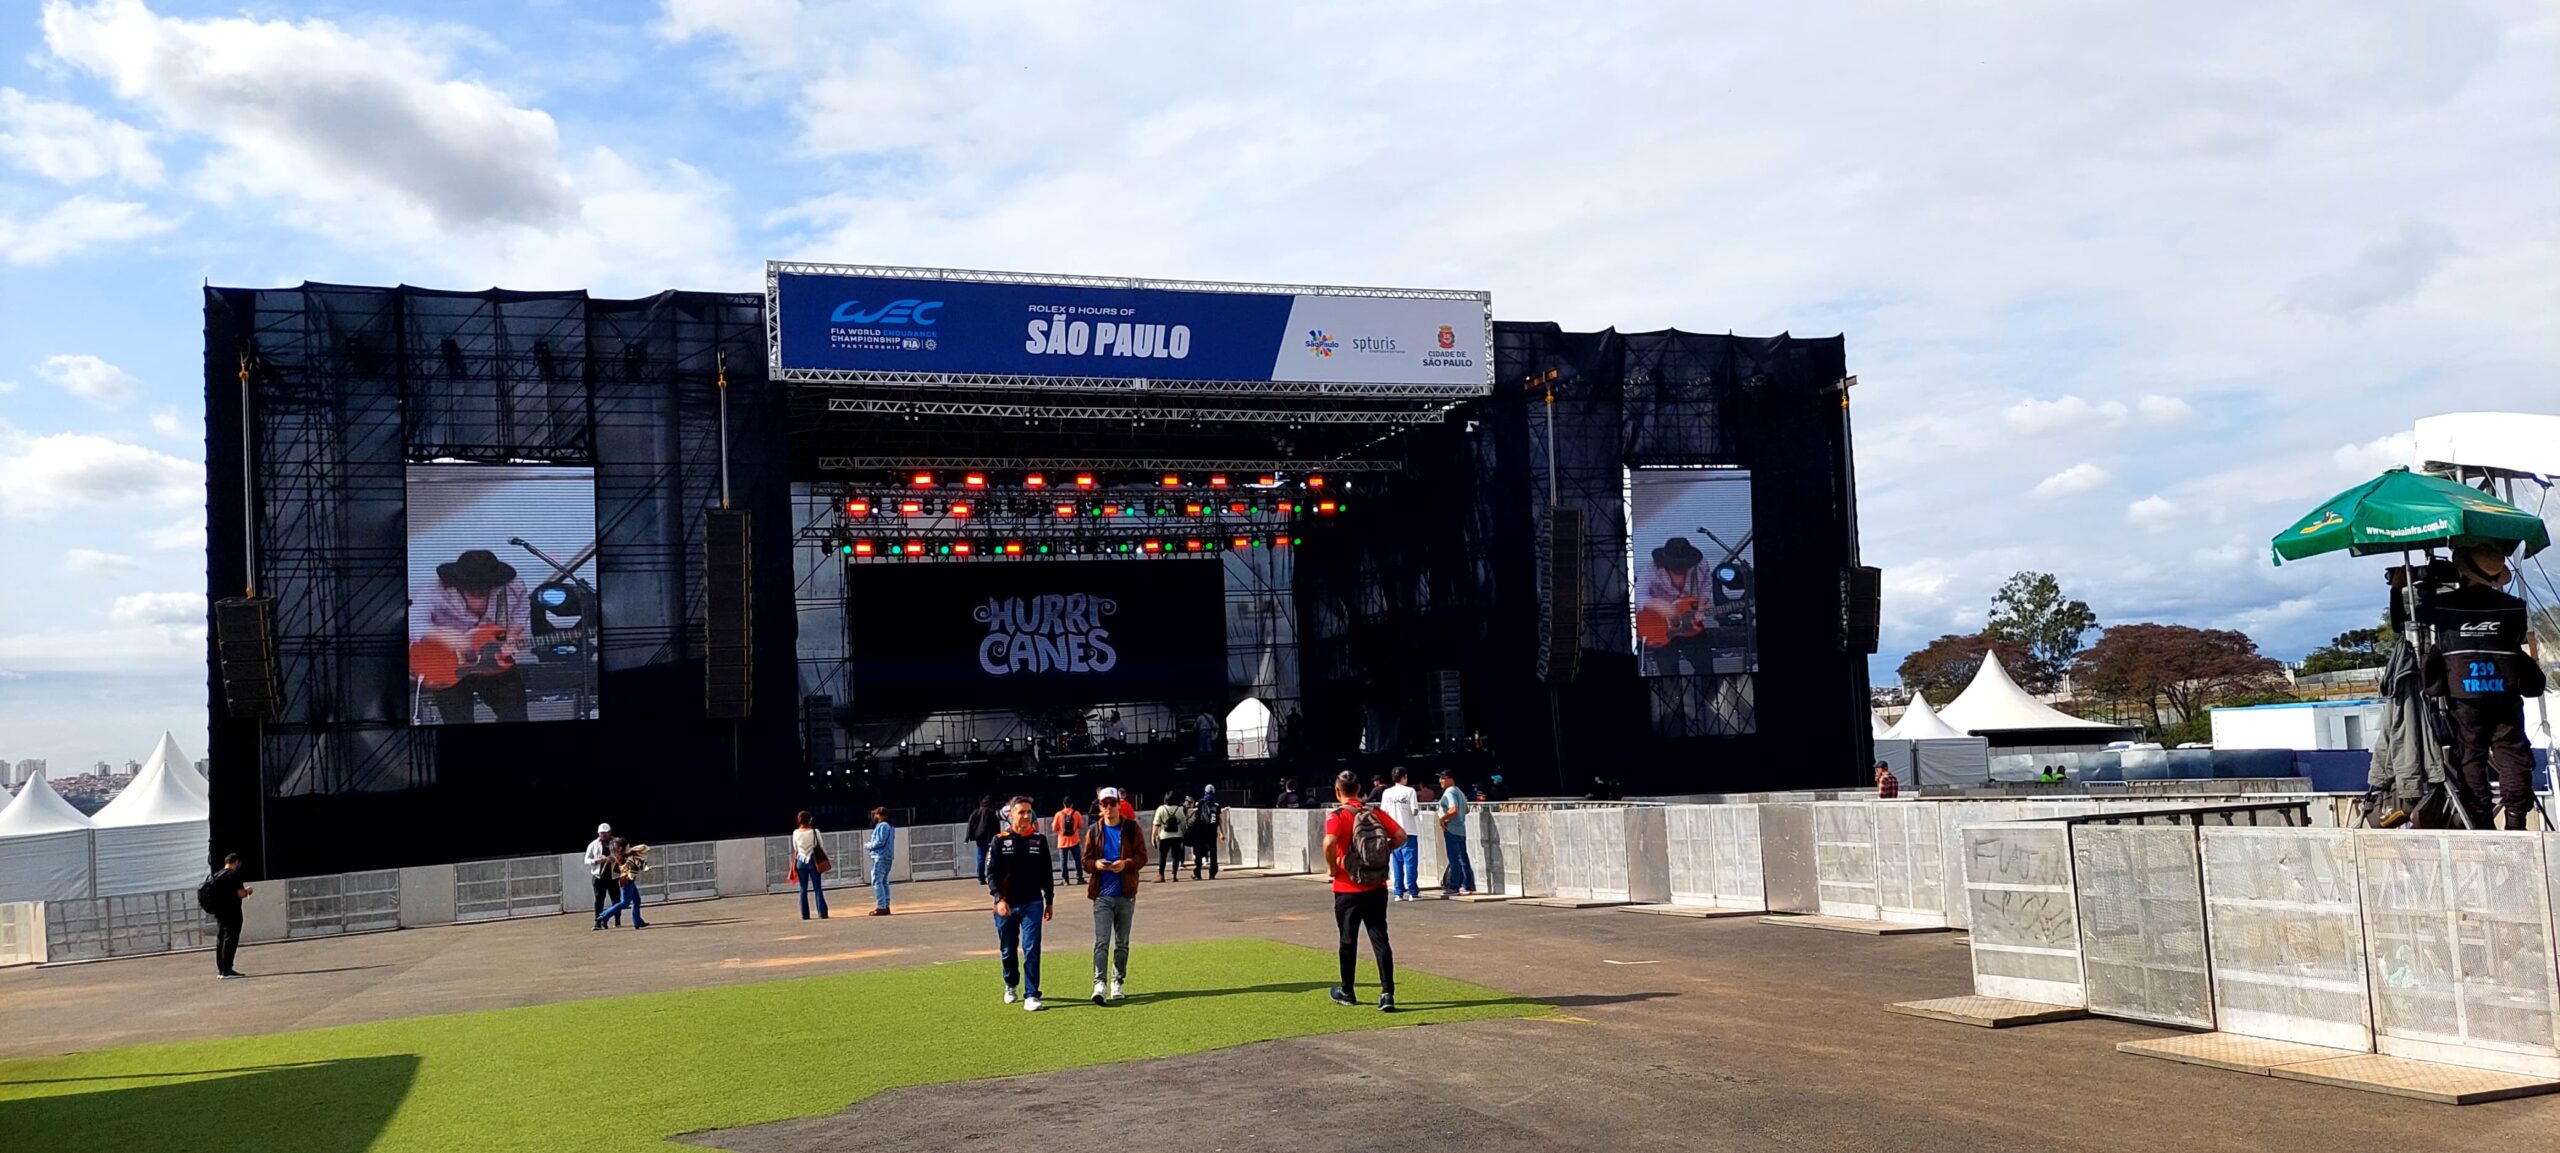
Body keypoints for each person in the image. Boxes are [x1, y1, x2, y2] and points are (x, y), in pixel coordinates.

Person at [2424, 545, 2545, 830]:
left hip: (2462, 694)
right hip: (2506, 690)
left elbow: (2403, 619)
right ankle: (2516, 820)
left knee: (2469, 755)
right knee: (2512, 751)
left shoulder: (2440, 606)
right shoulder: (2514, 607)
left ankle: (2481, 822)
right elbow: (2516, 640)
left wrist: (2402, 588)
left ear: (2461, 571)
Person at [407, 548, 531, 723]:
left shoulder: (512, 587)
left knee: (516, 715)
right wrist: (443, 636)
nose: (479, 593)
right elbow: (412, 622)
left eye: (484, 588)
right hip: (447, 665)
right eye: (472, 589)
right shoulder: (435, 592)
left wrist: (511, 635)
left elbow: (521, 611)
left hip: (493, 661)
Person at [1323, 770, 1406, 1010]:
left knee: (1348, 940)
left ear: (1338, 791)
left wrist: (1332, 867)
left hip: (1347, 887)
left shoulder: (1337, 816)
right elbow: (1400, 835)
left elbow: (1329, 842)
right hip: (1376, 884)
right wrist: (1382, 853)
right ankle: (1387, 993)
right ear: (1359, 789)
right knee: (1380, 938)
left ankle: (1347, 990)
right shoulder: (1374, 812)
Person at [987, 796, 1055, 1011]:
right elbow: (990, 873)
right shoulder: (999, 840)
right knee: (1008, 950)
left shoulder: (1039, 840)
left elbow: (1047, 873)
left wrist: (1050, 900)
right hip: (1006, 905)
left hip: (1033, 903)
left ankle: (1032, 994)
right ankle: (1010, 984)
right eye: (1021, 812)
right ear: (1011, 815)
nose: (1026, 816)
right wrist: (999, 899)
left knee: (1032, 948)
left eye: (1029, 812)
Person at [1083, 786, 1148, 1004]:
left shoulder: (1131, 828)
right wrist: (1097, 864)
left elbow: (1142, 856)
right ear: (1100, 807)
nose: (1109, 808)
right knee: (1102, 941)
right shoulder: (1094, 831)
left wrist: (1126, 864)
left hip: (1125, 893)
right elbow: (1085, 862)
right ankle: (1099, 983)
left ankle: (1117, 980)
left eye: (1113, 804)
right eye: (1105, 804)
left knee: (1122, 942)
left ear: (1119, 805)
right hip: (1102, 894)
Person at [1635, 537, 1714, 676]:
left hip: (1690, 625)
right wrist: (1656, 604)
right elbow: (1638, 595)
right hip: (1660, 627)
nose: (1678, 569)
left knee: (1706, 667)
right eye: (1674, 565)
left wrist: (1701, 607)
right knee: (1669, 674)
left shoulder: (1700, 567)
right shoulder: (1650, 571)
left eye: (1683, 565)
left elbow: (1706, 588)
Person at [198, 852, 253, 979]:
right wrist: (248, 891)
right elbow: (241, 893)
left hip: (219, 912)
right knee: (230, 938)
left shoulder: (217, 875)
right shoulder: (233, 875)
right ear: (236, 862)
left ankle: (221, 969)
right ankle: (227, 969)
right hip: (232, 911)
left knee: (221, 939)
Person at [1379, 768, 1422, 901]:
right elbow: (1414, 810)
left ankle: (1398, 892)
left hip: (1393, 832)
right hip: (1409, 830)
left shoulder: (1387, 792)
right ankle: (1412, 891)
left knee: (1396, 863)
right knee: (1410, 863)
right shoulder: (1410, 791)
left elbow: (1383, 812)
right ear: (1404, 777)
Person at [1437, 769, 1476, 896]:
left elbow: (1453, 809)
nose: (1440, 781)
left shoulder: (1449, 792)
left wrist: (1442, 819)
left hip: (1451, 829)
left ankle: (1455, 885)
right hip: (1461, 829)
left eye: (1443, 778)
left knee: (1454, 859)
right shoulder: (1460, 791)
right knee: (1463, 858)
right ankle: (1466, 884)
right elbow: (1466, 810)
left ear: (1450, 779)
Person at [594, 841, 650, 930]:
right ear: (622, 848)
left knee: (636, 900)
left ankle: (638, 921)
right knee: (624, 903)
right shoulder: (623, 856)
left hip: (628, 880)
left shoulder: (621, 855)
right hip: (627, 881)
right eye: (627, 846)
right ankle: (603, 916)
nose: (629, 847)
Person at [791, 810, 830, 920]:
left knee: (803, 888)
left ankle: (805, 914)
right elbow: (820, 845)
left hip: (800, 861)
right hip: (813, 860)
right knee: (817, 888)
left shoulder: (795, 832)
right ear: (809, 819)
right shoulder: (815, 831)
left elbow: (795, 848)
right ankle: (822, 913)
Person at [584, 822, 619, 927]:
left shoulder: (616, 843)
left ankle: (617, 920)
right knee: (599, 900)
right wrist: (596, 861)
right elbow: (586, 859)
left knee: (616, 899)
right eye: (601, 833)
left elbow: (624, 855)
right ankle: (598, 922)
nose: (603, 835)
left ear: (610, 833)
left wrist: (614, 858)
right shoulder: (593, 844)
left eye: (605, 833)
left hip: (613, 876)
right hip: (599, 877)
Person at [1186, 784, 1223, 880]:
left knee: (1198, 852)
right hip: (1212, 831)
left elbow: (1195, 815)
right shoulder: (1216, 805)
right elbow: (1218, 819)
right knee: (1213, 853)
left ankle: (1197, 873)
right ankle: (1212, 874)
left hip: (1201, 831)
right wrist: (1222, 832)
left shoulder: (1200, 803)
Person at [866, 807, 896, 915]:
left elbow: (879, 842)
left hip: (880, 857)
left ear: (879, 815)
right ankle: (886, 905)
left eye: (875, 814)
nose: (874, 816)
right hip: (887, 857)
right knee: (884, 882)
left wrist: (869, 845)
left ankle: (881, 906)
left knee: (877, 881)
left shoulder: (882, 826)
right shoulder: (890, 826)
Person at [965, 796, 1001, 886]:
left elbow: (970, 824)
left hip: (979, 837)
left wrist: (967, 838)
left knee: (980, 857)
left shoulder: (976, 811)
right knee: (991, 858)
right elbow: (996, 826)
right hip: (990, 837)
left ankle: (981, 877)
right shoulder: (991, 812)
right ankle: (991, 877)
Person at [1052, 797, 1087, 884]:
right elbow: (1081, 826)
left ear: (1063, 804)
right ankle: (1080, 878)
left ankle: (1065, 880)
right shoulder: (1077, 813)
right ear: (1072, 804)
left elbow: (1054, 828)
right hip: (1074, 840)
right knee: (1077, 860)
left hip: (1062, 842)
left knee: (1063, 862)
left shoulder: (1058, 814)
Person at [1153, 794, 1188, 881]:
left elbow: (1156, 824)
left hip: (1164, 836)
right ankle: (1174, 876)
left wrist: (1154, 836)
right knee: (1176, 856)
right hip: (1177, 836)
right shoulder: (1179, 809)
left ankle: (1161, 875)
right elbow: (1184, 823)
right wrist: (1184, 834)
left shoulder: (1161, 808)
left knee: (1162, 856)